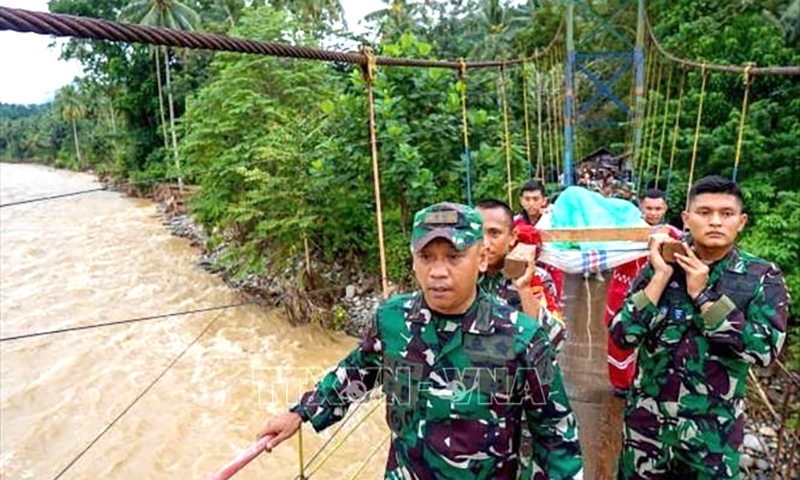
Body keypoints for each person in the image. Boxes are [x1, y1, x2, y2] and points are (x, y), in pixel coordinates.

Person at [258, 202, 584, 479]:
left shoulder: (520, 336)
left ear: (481, 259)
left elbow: (555, 431)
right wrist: (300, 413)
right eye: (427, 257)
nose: (438, 271)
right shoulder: (392, 320)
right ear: (413, 260)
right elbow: (358, 372)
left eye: (453, 257)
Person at [610, 176, 789, 479]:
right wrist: (661, 277)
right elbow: (622, 336)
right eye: (704, 212)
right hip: (648, 430)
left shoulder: (760, 277)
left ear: (741, 221)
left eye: (726, 213)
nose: (716, 221)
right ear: (686, 219)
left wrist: (703, 296)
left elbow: (764, 351)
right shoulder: (658, 266)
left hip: (712, 436)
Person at [603, 188, 680, 397]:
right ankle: (621, 383)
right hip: (623, 289)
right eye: (649, 208)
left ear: (665, 208)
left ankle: (646, 381)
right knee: (620, 334)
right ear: (640, 207)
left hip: (657, 293)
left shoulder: (673, 235)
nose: (653, 213)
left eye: (658, 208)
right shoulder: (626, 230)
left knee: (655, 338)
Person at [475, 198, 565, 351]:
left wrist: (524, 289)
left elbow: (555, 341)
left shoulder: (533, 278)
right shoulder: (465, 277)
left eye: (494, 233)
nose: (485, 243)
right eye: (479, 233)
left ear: (513, 236)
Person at [514, 180, 565, 300]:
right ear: (521, 201)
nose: (531, 203)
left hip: (551, 271)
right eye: (527, 199)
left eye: (536, 199)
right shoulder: (514, 223)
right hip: (523, 274)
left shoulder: (553, 222)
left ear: (544, 200)